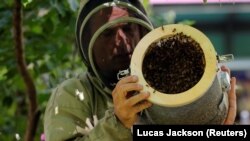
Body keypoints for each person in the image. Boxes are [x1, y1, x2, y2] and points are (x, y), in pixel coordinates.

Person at [43, 0, 237, 141]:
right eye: (108, 33)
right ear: (88, 45)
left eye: (127, 28)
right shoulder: (73, 95)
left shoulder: (170, 92)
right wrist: (118, 124)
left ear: (142, 31)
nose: (121, 40)